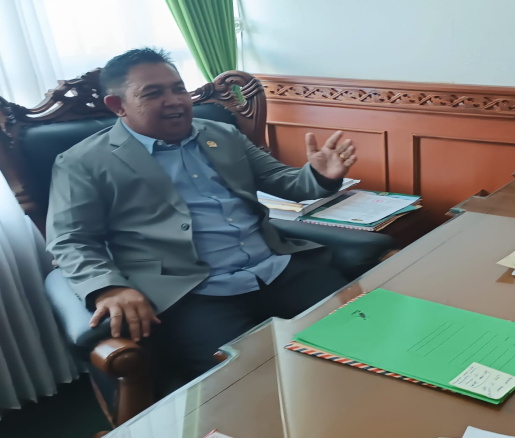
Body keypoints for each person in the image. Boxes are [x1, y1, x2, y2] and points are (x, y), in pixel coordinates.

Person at [46, 48, 357, 386]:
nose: (174, 101)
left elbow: (284, 181)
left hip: (276, 268)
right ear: (117, 105)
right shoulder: (83, 162)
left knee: (360, 333)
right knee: (250, 384)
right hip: (194, 292)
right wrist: (108, 288)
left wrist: (319, 176)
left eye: (178, 88)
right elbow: (70, 240)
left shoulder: (221, 134)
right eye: (153, 93)